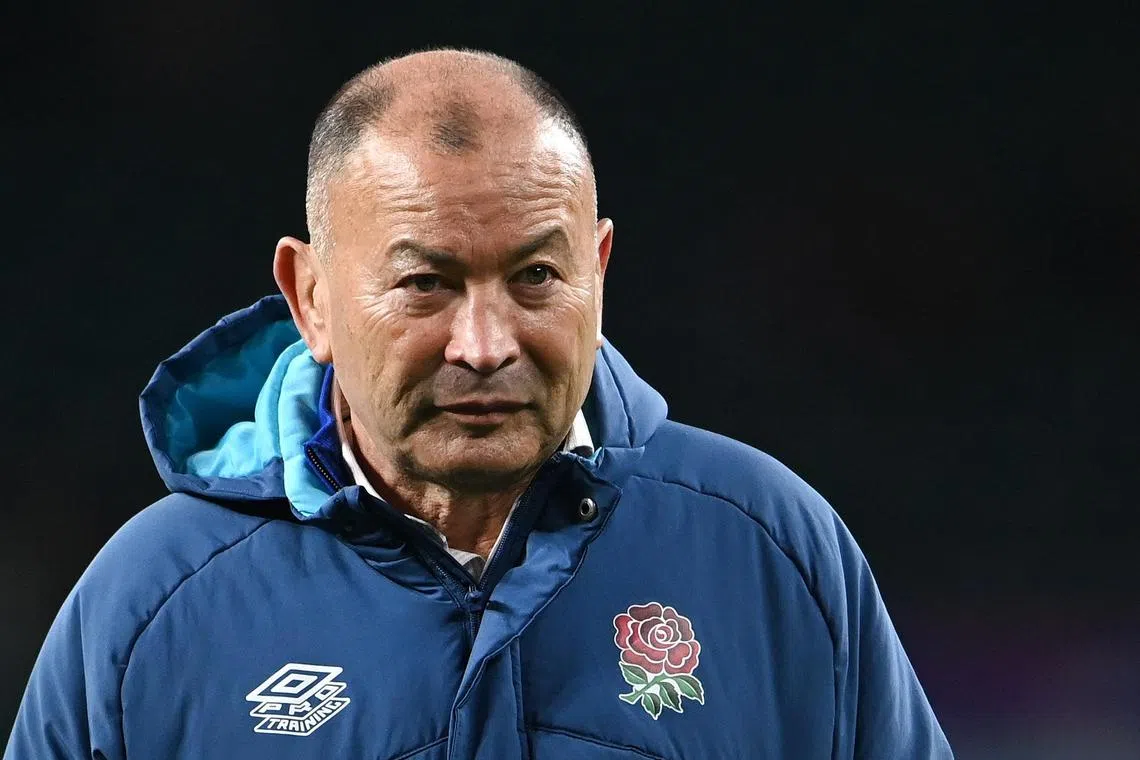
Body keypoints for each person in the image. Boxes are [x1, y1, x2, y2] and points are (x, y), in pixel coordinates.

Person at [5, 48, 952, 759]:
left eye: (536, 276)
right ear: (312, 298)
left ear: (598, 269)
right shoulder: (151, 603)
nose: (486, 344)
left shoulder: (771, 547)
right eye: (426, 283)